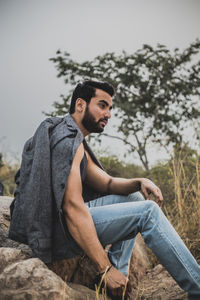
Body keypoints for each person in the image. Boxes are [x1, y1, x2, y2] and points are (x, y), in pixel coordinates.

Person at [9, 80, 200, 300]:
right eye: (102, 105)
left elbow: (107, 183)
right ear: (80, 105)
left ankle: (117, 285)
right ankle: (197, 287)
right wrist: (104, 267)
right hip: (59, 227)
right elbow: (72, 208)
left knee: (134, 196)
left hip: (65, 218)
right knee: (148, 212)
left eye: (110, 108)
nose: (108, 114)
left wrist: (140, 181)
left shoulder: (74, 138)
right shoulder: (66, 141)